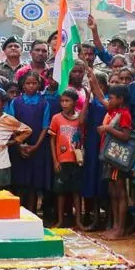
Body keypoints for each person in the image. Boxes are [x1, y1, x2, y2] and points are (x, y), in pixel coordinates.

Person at [10, 71, 52, 212]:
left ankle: (32, 212)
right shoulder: (16, 103)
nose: (31, 86)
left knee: (34, 183)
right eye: (28, 83)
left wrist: (36, 146)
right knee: (21, 182)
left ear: (39, 85)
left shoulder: (43, 103)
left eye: (34, 83)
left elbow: (45, 127)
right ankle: (19, 213)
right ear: (22, 85)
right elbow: (11, 125)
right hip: (19, 147)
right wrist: (19, 145)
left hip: (37, 147)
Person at [99, 84, 134, 240]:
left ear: (120, 99)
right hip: (111, 157)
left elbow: (125, 136)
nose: (108, 100)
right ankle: (115, 226)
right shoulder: (115, 111)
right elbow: (99, 96)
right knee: (113, 192)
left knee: (120, 193)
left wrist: (107, 129)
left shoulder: (124, 114)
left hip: (118, 158)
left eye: (111, 98)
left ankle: (120, 229)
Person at [48, 88, 84, 228]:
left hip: (76, 160)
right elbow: (52, 140)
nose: (64, 103)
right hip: (62, 160)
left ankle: (78, 221)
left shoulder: (79, 118)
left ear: (75, 102)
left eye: (67, 101)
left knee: (76, 191)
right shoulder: (56, 118)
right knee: (60, 192)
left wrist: (87, 97)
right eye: (62, 100)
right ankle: (60, 220)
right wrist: (55, 160)